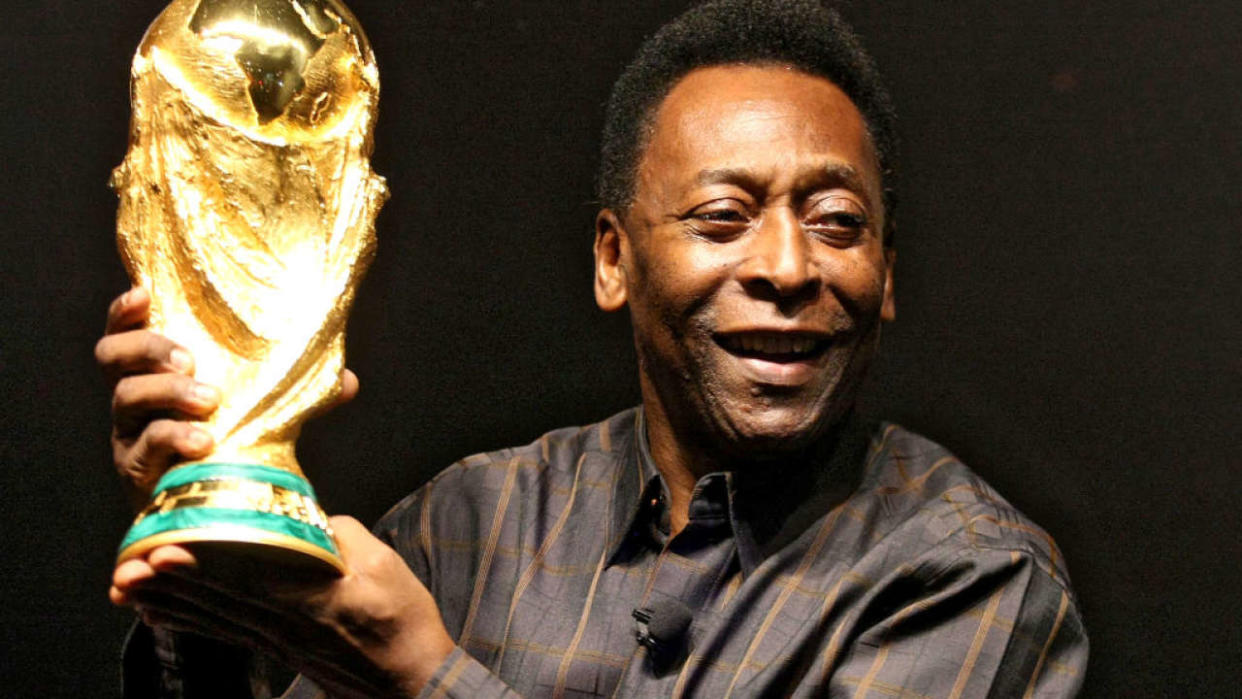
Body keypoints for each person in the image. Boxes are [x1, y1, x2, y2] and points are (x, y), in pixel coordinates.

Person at [99, 1, 1088, 696]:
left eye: (837, 221)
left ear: (888, 277)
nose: (789, 266)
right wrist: (205, 563)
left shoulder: (966, 575)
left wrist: (418, 680)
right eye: (723, 215)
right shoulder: (467, 525)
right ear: (613, 261)